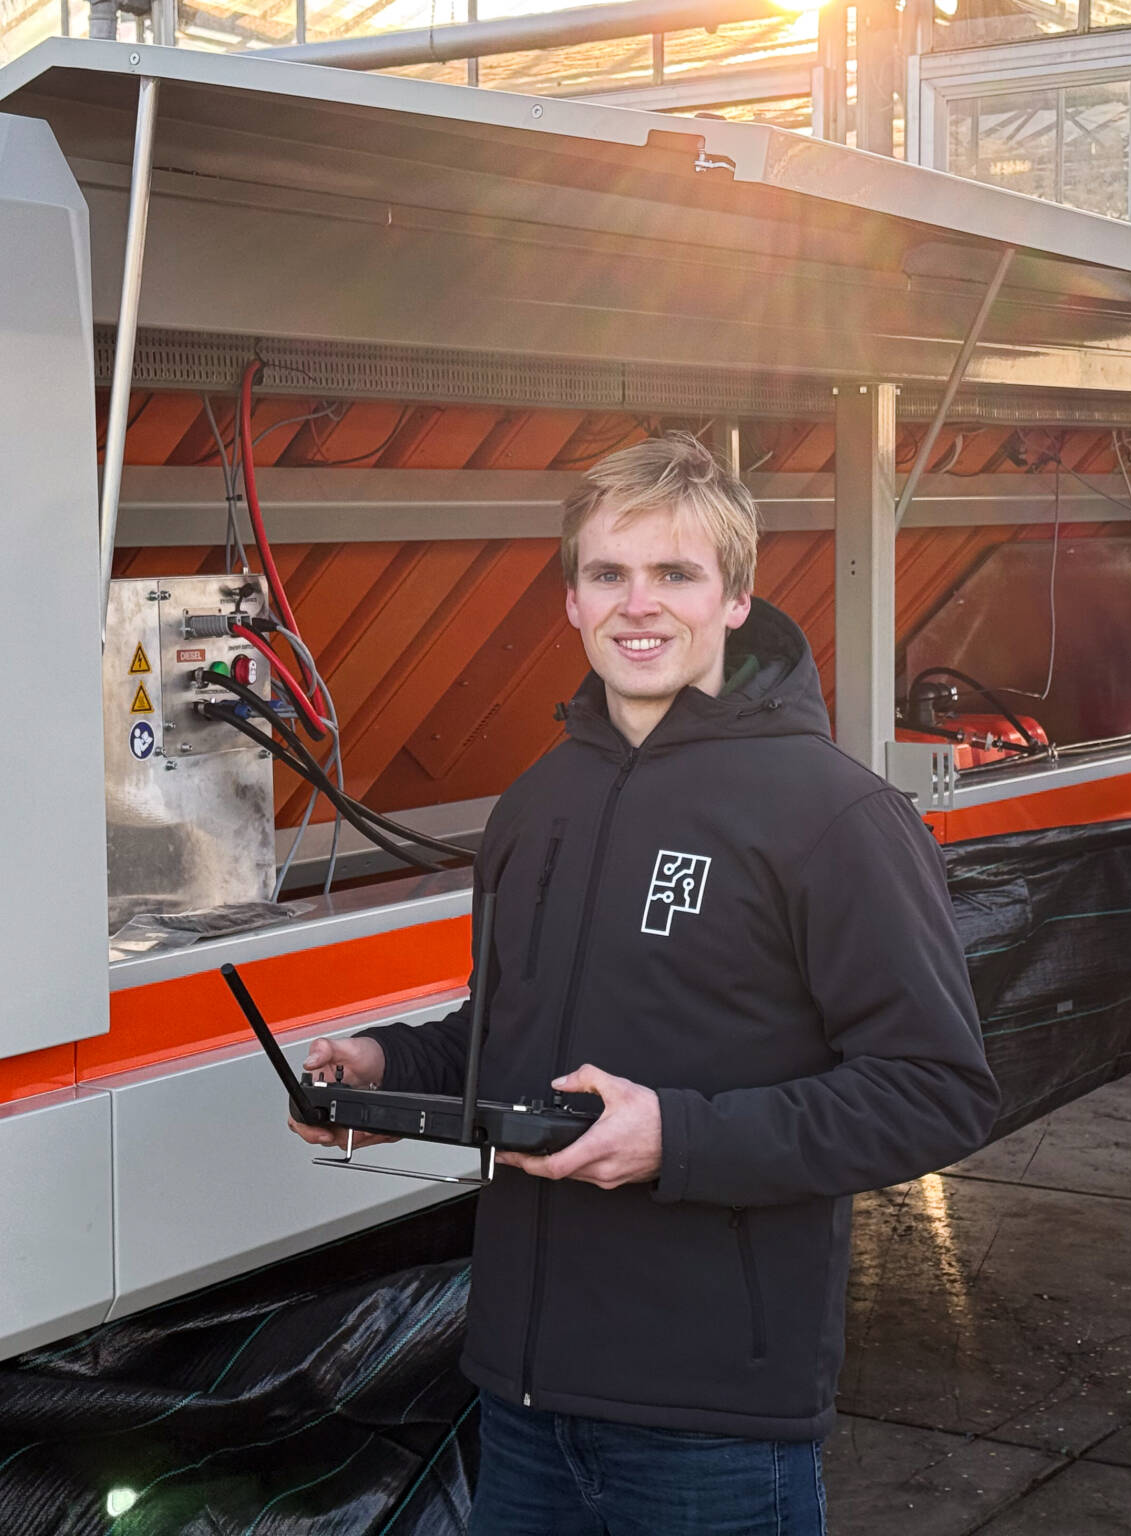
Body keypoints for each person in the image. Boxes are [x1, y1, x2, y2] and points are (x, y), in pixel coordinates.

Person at [290, 433, 999, 1535]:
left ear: (736, 597)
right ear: (570, 600)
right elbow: (511, 1025)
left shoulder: (834, 815)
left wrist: (676, 1138)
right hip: (524, 1401)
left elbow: (936, 1088)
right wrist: (389, 1067)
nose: (640, 605)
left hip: (713, 1419)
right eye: (608, 573)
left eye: (676, 574)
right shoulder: (537, 802)